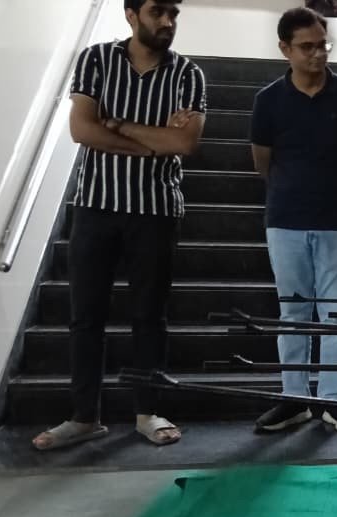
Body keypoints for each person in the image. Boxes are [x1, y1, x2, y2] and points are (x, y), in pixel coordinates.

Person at [32, 0, 206, 450]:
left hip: (157, 210)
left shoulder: (188, 74)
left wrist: (118, 124)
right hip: (96, 207)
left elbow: (185, 142)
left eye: (173, 13)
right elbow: (82, 130)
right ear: (131, 14)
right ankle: (84, 417)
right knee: (85, 317)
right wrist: (153, 143)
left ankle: (148, 412)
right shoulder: (96, 59)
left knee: (149, 317)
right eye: (157, 12)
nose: (167, 21)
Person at [249, 7, 337, 434]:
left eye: (323, 45)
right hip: (285, 219)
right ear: (285, 49)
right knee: (293, 311)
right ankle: (295, 397)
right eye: (307, 47)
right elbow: (262, 161)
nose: (318, 54)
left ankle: (333, 398)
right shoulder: (268, 101)